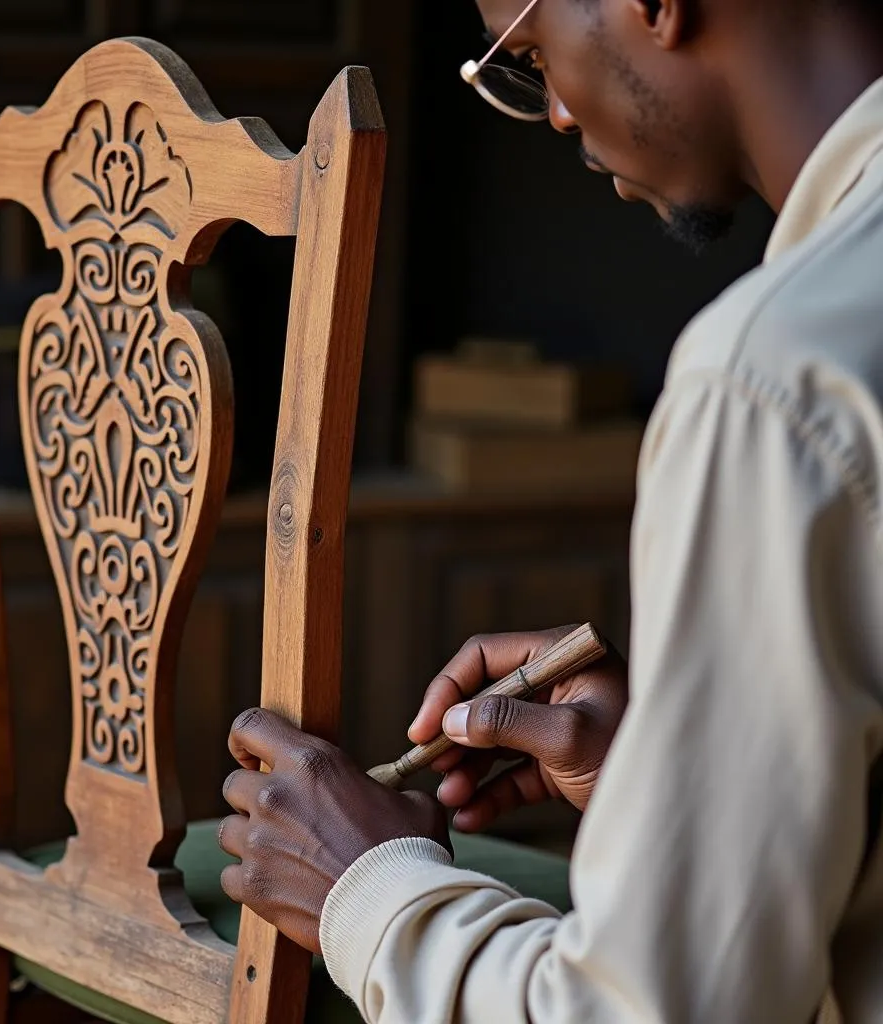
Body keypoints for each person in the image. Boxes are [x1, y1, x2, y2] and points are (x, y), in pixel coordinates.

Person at [217, 0, 883, 1019]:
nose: (558, 115)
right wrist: (691, 784)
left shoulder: (769, 381)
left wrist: (370, 890)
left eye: (524, 52)